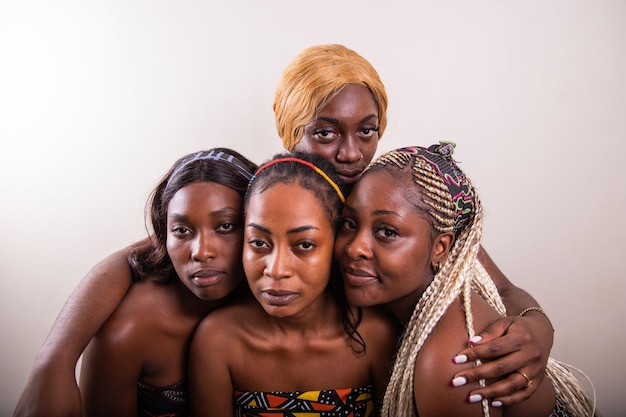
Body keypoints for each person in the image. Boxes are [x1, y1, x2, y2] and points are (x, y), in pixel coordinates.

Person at [14, 44, 550, 417]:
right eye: (325, 133)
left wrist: (536, 326)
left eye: (367, 132)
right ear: (291, 131)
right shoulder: (262, 194)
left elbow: (490, 279)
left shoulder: (384, 195)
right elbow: (145, 251)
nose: (349, 153)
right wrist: (54, 360)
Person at [334, 142, 595, 416]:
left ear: (441, 247)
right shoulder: (423, 229)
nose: (355, 248)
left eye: (387, 232)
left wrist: (538, 324)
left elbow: (505, 289)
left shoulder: (453, 362)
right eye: (349, 223)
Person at [188, 152, 400, 416]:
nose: (276, 270)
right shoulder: (218, 341)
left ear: (336, 245)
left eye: (304, 245)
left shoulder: (376, 336)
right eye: (259, 243)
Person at [80, 148, 258, 416]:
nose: (201, 251)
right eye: (182, 231)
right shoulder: (127, 331)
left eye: (225, 226)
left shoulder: (278, 299)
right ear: (164, 235)